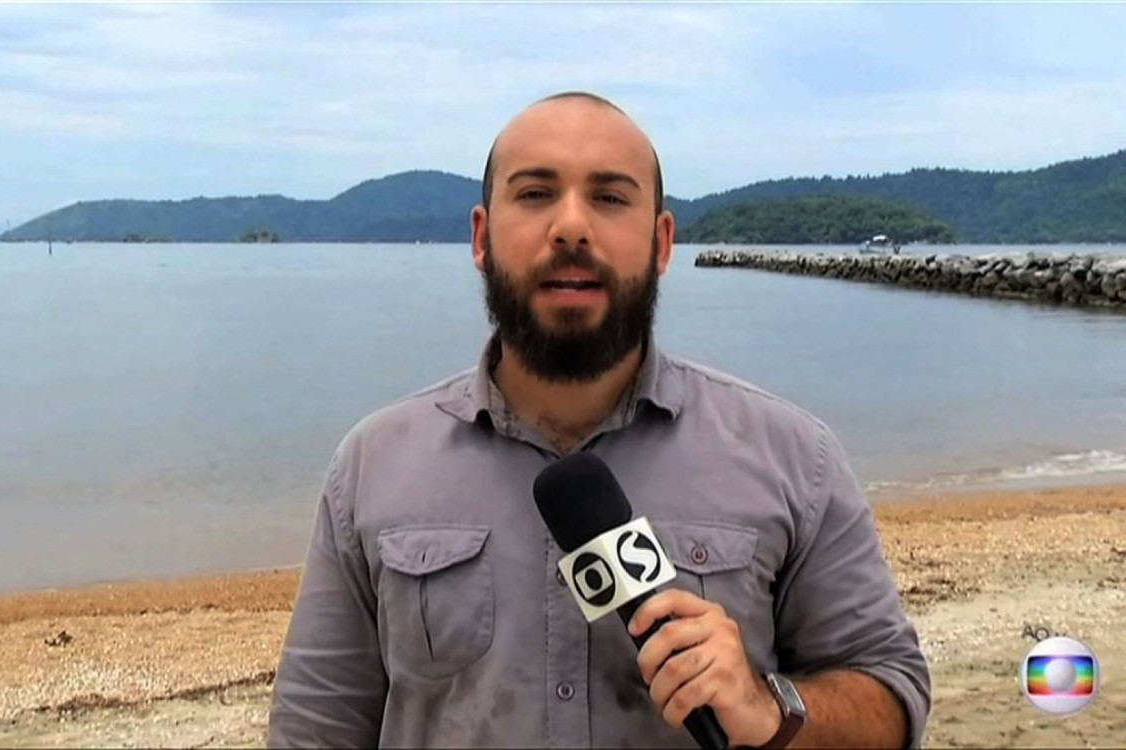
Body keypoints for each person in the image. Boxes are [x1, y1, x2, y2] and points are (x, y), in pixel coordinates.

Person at [267, 91, 932, 749]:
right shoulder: (372, 465)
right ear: (481, 236)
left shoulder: (795, 458)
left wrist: (771, 707)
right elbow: (313, 731)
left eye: (611, 198)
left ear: (662, 241)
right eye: (534, 194)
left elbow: (892, 697)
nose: (571, 227)